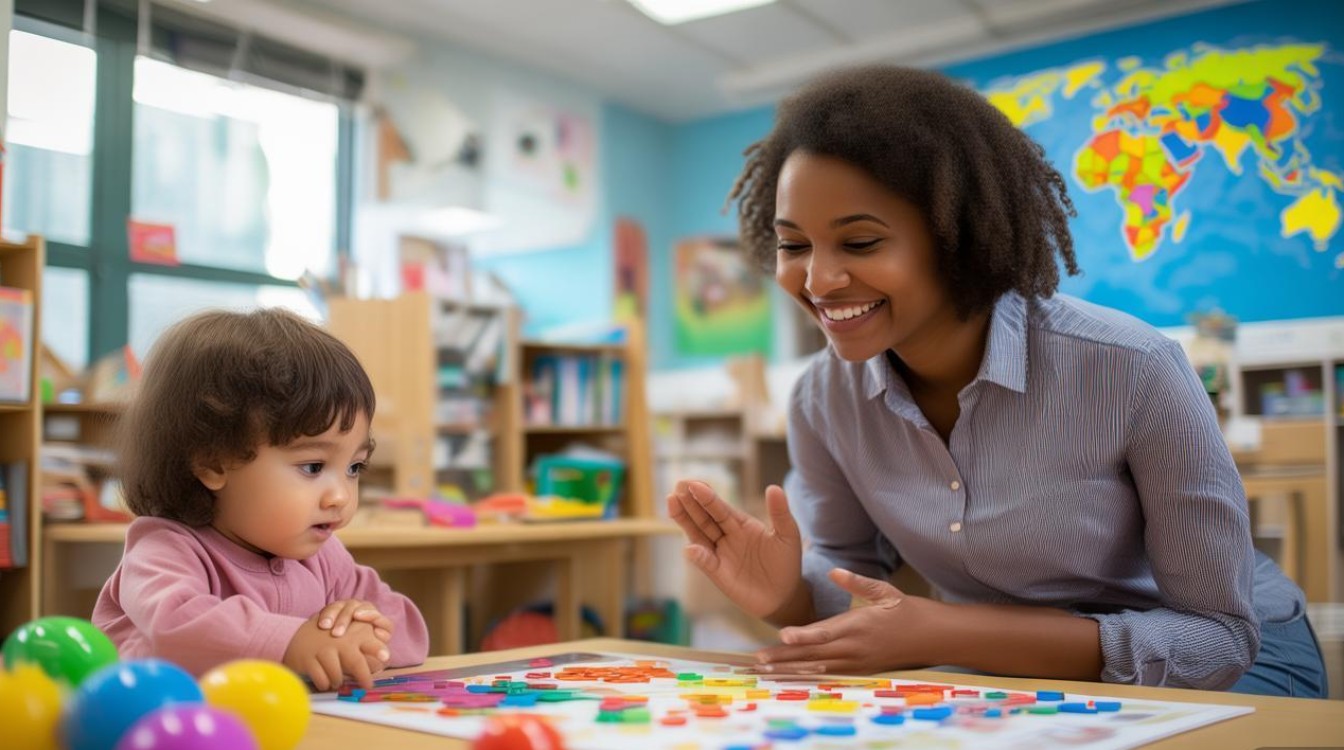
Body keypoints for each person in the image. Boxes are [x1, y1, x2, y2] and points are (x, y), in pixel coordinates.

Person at [668, 65, 1326, 697]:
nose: (816, 282)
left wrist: (946, 630)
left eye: (861, 243)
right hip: (1008, 677)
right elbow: (856, 589)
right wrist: (788, 592)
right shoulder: (823, 398)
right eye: (793, 245)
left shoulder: (1131, 366)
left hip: (1236, 670)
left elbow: (1216, 639)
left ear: (957, 239)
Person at [94, 308, 429, 689]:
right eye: (313, 467)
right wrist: (292, 641)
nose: (340, 496)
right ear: (213, 462)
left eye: (354, 468)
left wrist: (362, 626)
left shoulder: (323, 557)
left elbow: (410, 635)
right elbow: (176, 627)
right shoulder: (164, 550)